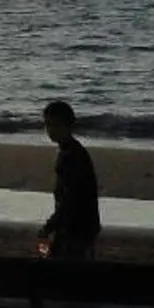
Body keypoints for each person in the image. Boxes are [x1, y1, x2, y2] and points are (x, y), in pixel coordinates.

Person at [37, 99, 101, 261]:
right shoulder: (71, 151)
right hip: (77, 224)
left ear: (68, 126)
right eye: (48, 125)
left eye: (55, 125)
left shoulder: (71, 156)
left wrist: (51, 224)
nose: (50, 130)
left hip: (76, 226)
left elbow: (71, 198)